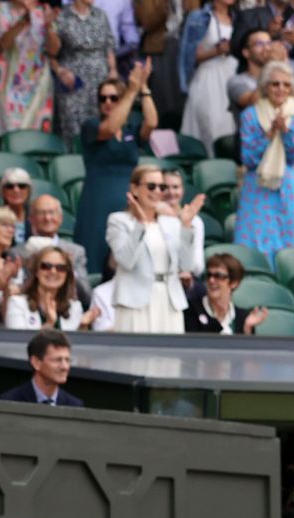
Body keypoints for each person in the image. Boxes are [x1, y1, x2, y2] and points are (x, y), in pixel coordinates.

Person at [76, 66, 154, 271]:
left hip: (127, 199)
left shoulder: (130, 129)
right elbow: (109, 128)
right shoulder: (91, 126)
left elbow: (152, 123)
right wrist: (130, 92)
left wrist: (143, 88)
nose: (108, 103)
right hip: (98, 199)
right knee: (95, 251)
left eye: (113, 98)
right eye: (103, 99)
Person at [105, 162, 198, 333]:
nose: (157, 192)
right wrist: (140, 224)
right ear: (134, 189)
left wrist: (185, 226)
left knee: (170, 357)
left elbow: (186, 265)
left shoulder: (171, 223)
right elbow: (126, 261)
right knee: (134, 357)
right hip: (134, 300)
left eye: (161, 187)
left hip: (169, 300)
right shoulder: (119, 220)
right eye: (151, 186)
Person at [234, 63, 294, 260]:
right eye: (275, 84)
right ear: (265, 87)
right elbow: (248, 158)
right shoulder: (250, 115)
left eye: (286, 85)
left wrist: (285, 132)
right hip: (257, 186)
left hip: (287, 186)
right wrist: (269, 134)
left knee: (287, 249)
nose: (281, 89)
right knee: (252, 247)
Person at [179, 0, 240, 147]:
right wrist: (217, 51)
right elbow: (189, 56)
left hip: (233, 76)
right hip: (209, 78)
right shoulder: (199, 17)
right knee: (210, 126)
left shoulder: (239, 18)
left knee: (232, 128)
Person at [53, 0, 116, 139]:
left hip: (100, 79)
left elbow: (109, 46)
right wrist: (60, 71)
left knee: (99, 124)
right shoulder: (62, 16)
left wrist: (113, 71)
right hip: (74, 81)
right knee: (73, 128)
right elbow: (50, 54)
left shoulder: (100, 15)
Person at [183, 251, 267, 334]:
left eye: (218, 276)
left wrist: (247, 328)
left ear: (234, 282)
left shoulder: (242, 317)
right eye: (209, 275)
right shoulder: (191, 310)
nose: (211, 280)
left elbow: (247, 347)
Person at [5, 244, 84, 329]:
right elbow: (19, 341)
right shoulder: (17, 303)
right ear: (36, 271)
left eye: (60, 268)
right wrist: (49, 323)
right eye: (46, 266)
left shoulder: (75, 307)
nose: (53, 271)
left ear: (67, 274)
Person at [0, 329, 83, 404]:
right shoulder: (9, 402)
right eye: (57, 360)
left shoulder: (74, 405)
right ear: (36, 363)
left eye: (67, 360)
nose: (65, 367)